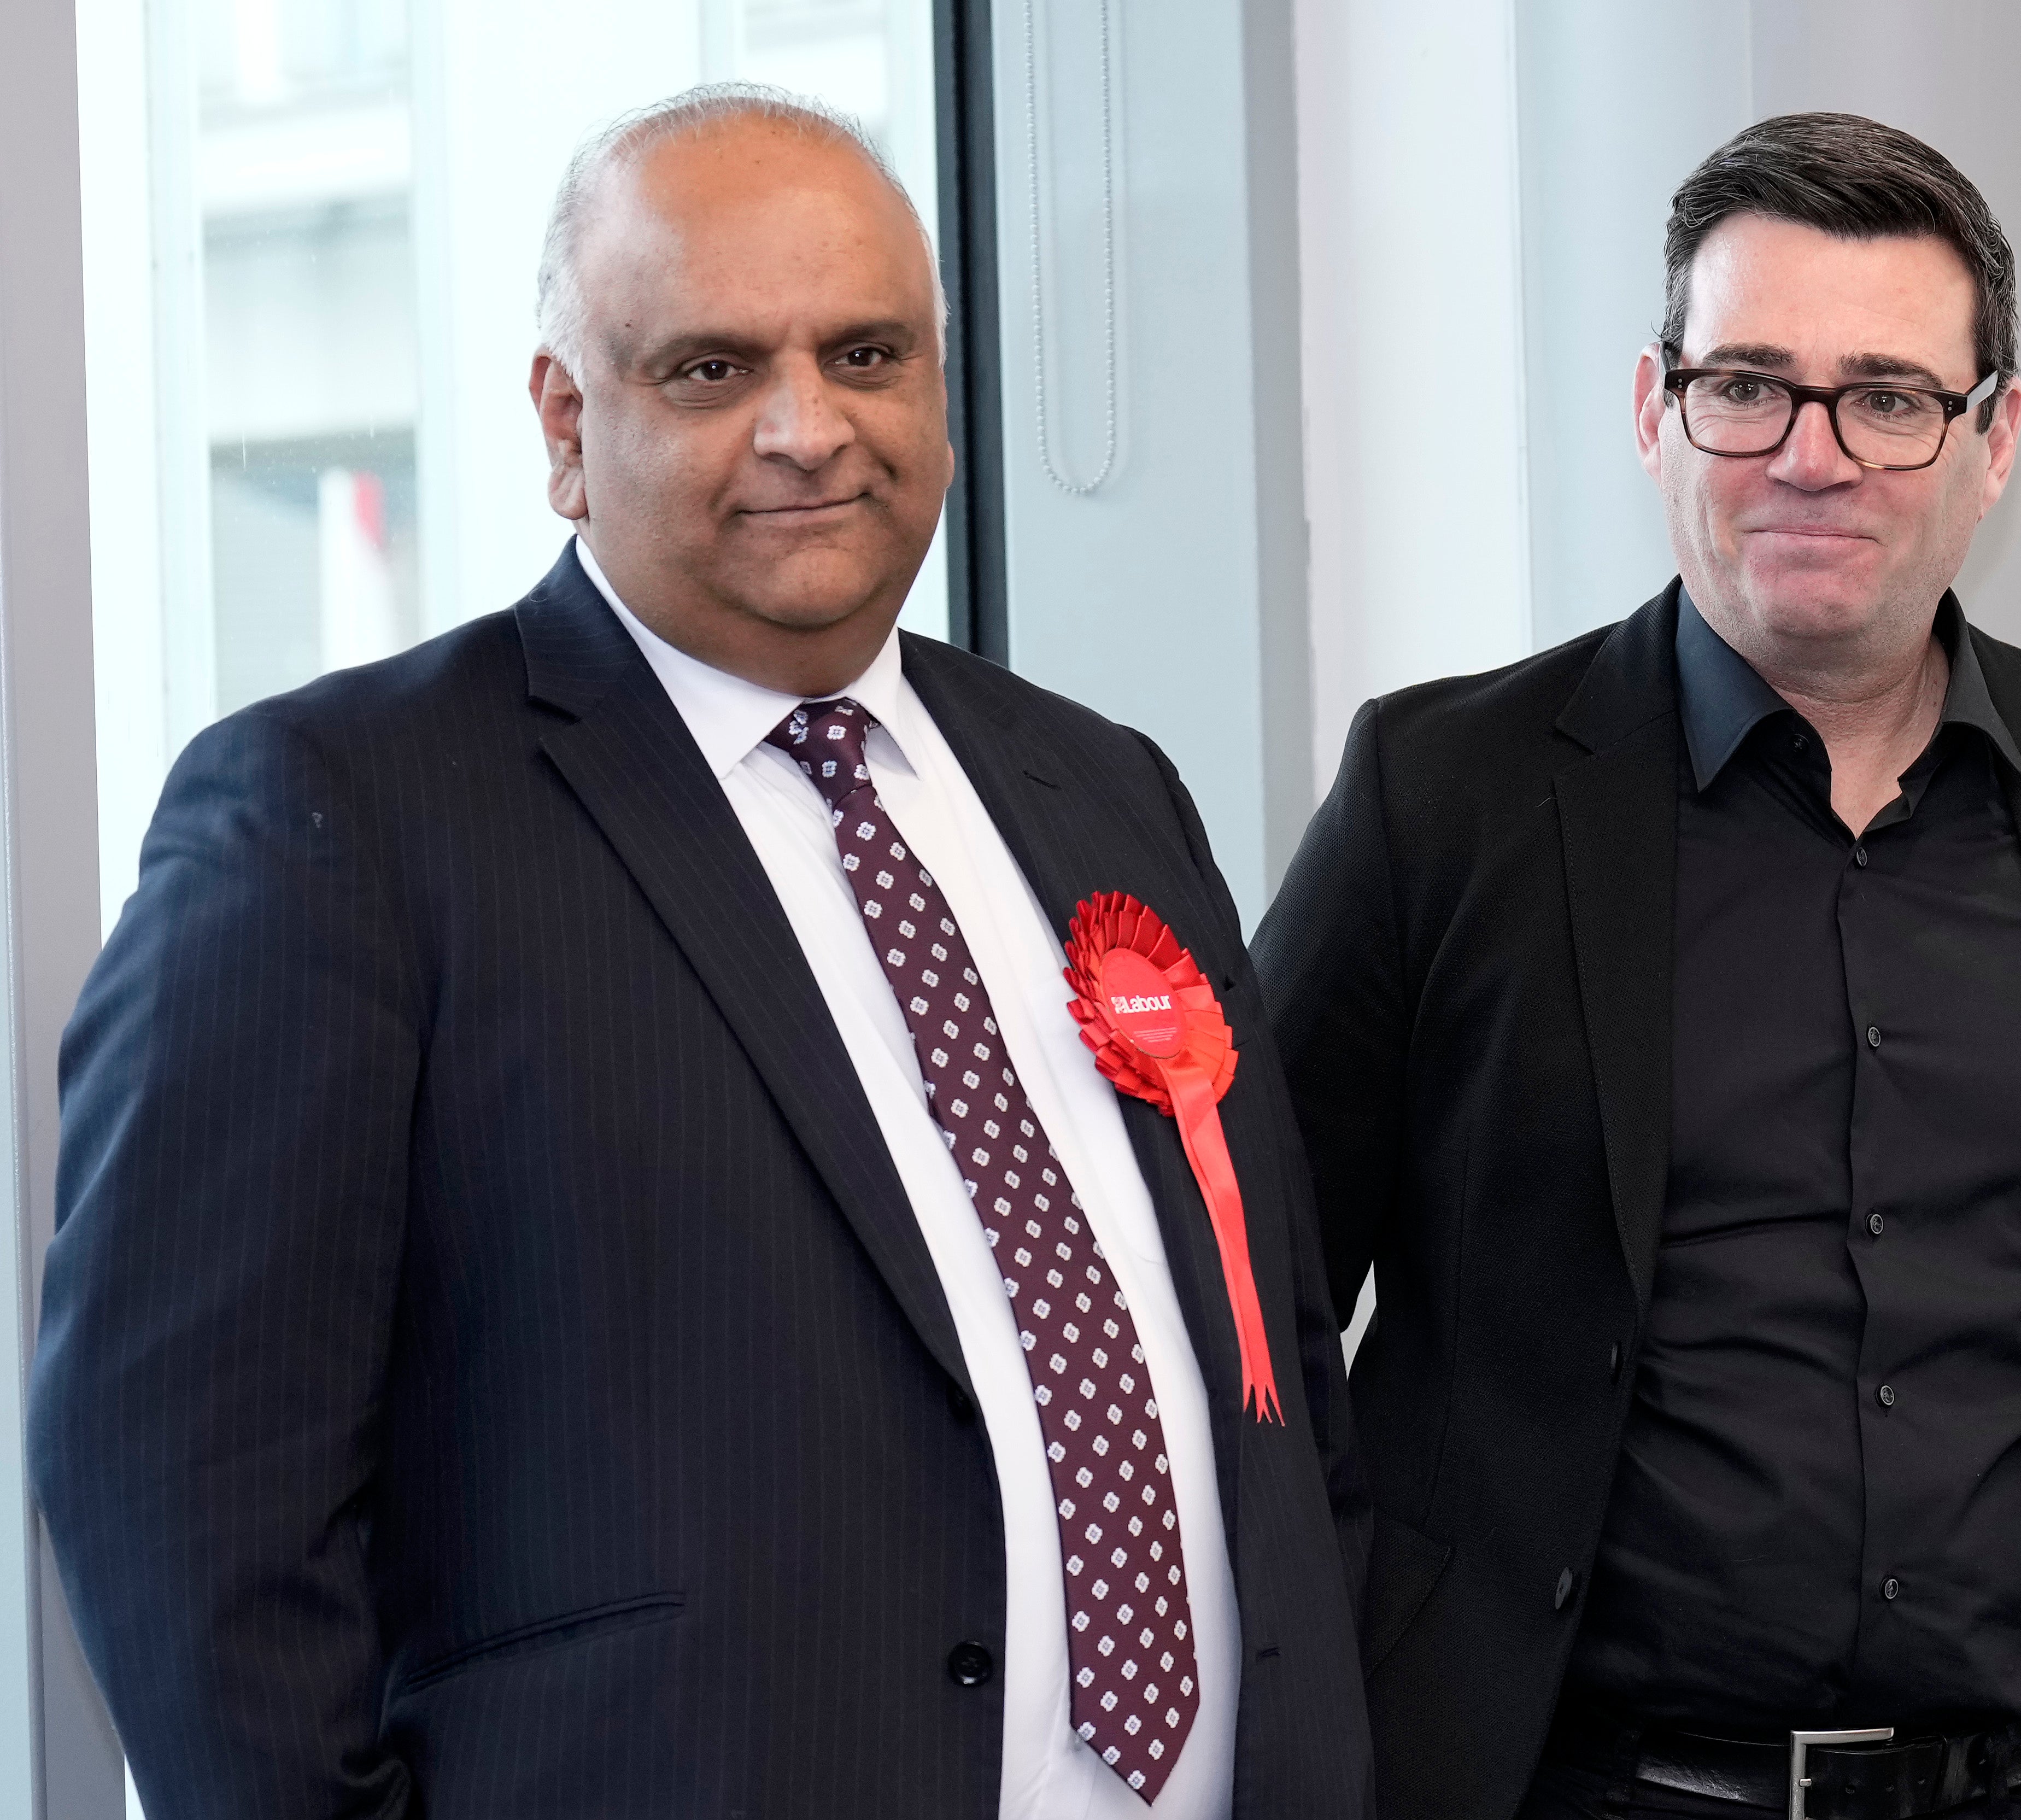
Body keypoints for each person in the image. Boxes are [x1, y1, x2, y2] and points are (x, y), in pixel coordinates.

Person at [31, 85, 1370, 1820]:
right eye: (711, 370)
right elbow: (183, 1493)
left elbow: (1276, 1384)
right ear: (565, 422)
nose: (810, 428)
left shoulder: (1102, 788)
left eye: (869, 354)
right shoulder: (341, 820)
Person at [1254, 113, 2021, 1820]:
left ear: (1993, 436)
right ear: (1652, 406)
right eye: (1748, 383)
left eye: (1889, 397)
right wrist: (1347, 1698)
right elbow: (1236, 1282)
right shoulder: (1443, 798)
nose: (1812, 455)